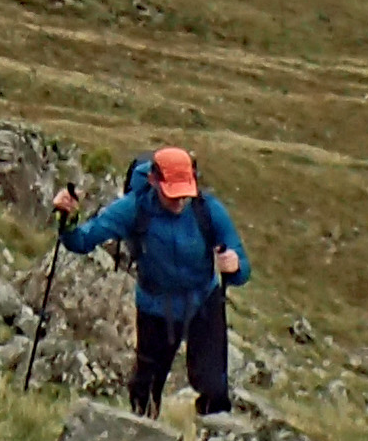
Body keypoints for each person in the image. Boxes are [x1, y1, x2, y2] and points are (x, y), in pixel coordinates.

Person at [55, 142, 249, 417]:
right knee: (145, 391)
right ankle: (143, 435)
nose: (180, 201)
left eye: (185, 194)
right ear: (153, 181)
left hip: (203, 304)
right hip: (155, 308)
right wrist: (68, 218)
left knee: (215, 390)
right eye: (173, 194)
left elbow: (242, 266)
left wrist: (235, 265)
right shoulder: (133, 209)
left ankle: (214, 439)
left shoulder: (208, 210)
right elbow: (81, 241)